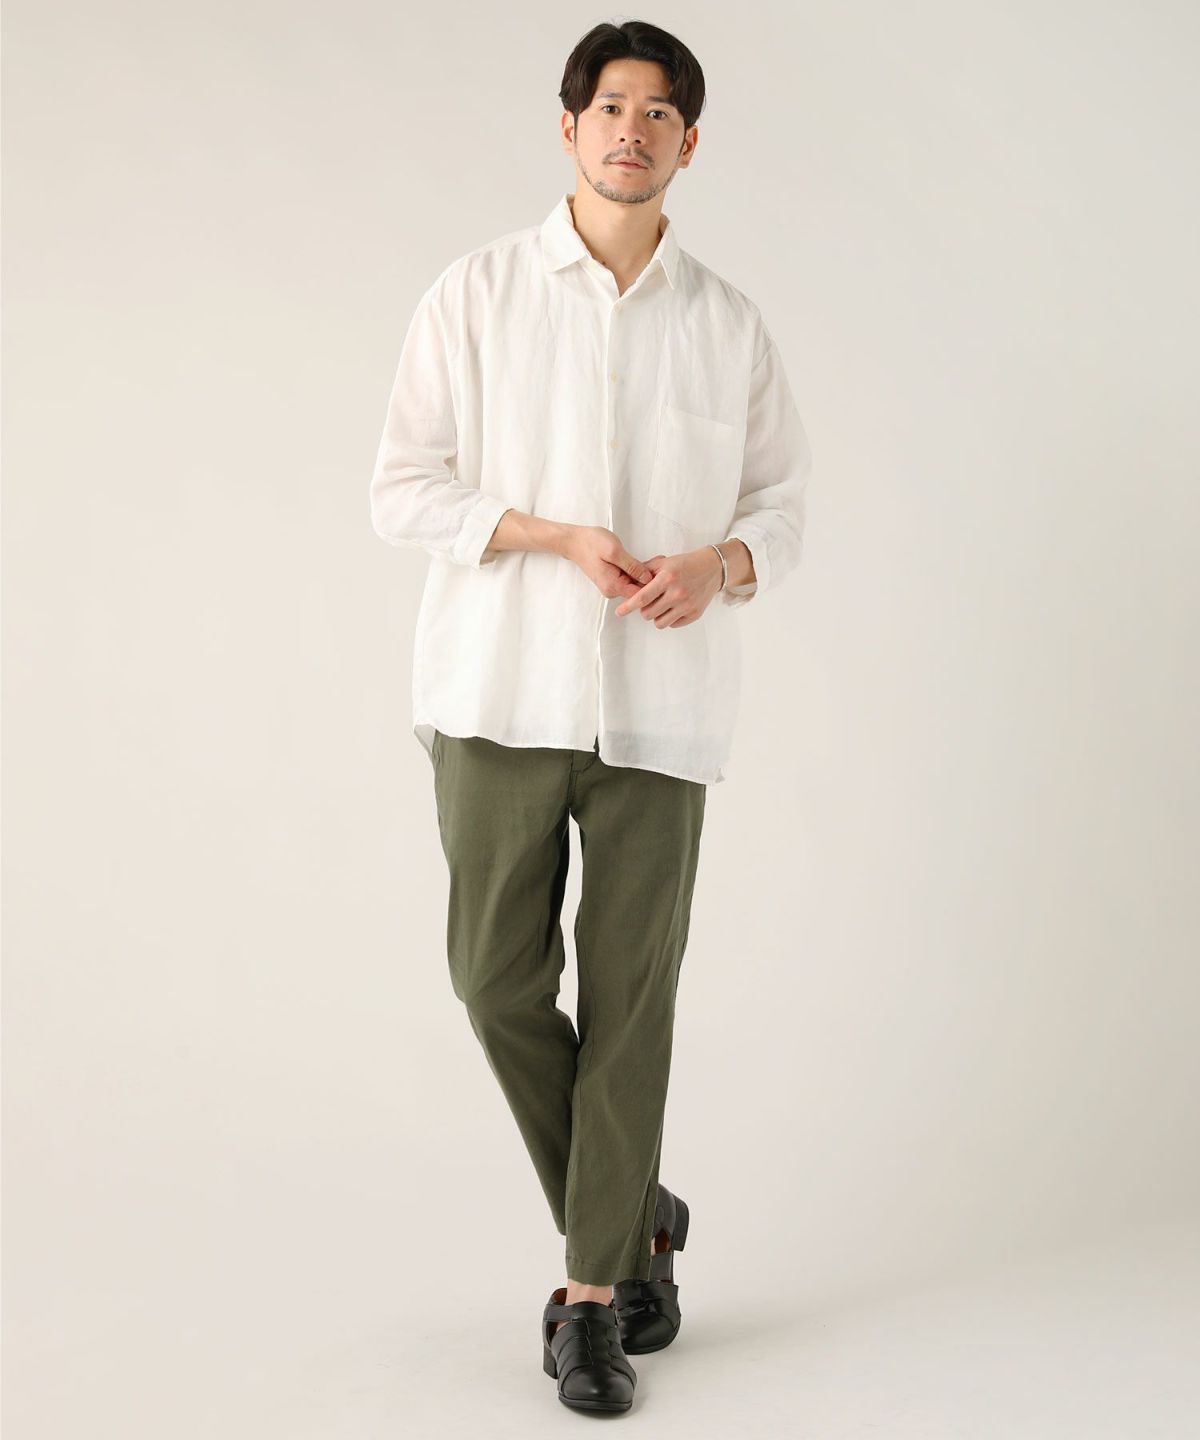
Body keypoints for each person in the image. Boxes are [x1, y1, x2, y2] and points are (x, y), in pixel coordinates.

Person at [369, 18, 812, 1415]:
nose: (634, 129)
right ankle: (634, 1216)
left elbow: (783, 509)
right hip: (497, 691)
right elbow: (400, 487)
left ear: (690, 142)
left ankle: (588, 1300)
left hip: (663, 712)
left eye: (660, 111)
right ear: (570, 128)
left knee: (633, 1003)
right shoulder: (477, 294)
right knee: (494, 982)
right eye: (611, 106)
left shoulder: (728, 323)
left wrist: (718, 564)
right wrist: (551, 535)